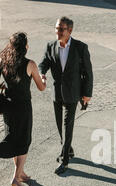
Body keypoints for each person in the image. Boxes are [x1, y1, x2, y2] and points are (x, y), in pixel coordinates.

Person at [0, 32, 46, 186]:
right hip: (23, 107)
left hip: (8, 106)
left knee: (14, 139)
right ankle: (15, 177)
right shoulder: (30, 64)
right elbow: (41, 87)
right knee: (24, 141)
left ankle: (20, 174)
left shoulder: (3, 62)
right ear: (25, 47)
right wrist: (44, 79)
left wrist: (4, 88)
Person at [38, 16, 93, 175]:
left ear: (70, 31)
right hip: (56, 92)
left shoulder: (80, 48)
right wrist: (42, 74)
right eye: (56, 28)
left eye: (61, 29)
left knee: (67, 126)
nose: (57, 31)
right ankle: (68, 148)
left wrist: (87, 94)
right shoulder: (51, 46)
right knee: (59, 125)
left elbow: (88, 73)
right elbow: (44, 63)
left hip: (73, 92)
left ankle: (65, 160)